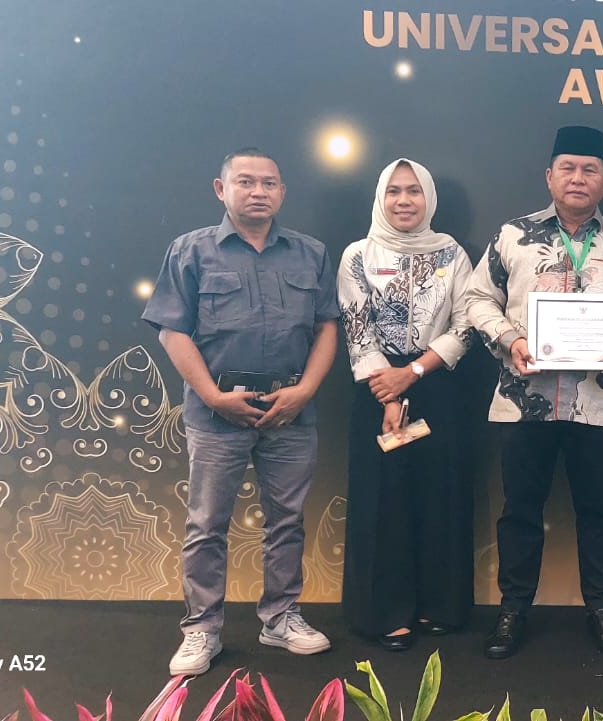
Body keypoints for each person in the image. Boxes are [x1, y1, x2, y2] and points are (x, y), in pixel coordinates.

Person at [143, 148, 338, 676]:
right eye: (245, 181)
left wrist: (305, 391)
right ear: (221, 189)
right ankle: (202, 629)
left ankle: (281, 618)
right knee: (207, 523)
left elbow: (326, 326)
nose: (258, 192)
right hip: (217, 413)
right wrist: (212, 396)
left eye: (269, 183)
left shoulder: (310, 254)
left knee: (287, 520)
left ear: (282, 192)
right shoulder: (190, 251)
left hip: (290, 410)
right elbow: (172, 330)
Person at [463, 126, 603, 659]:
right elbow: (477, 299)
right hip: (524, 401)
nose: (578, 178)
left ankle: (602, 609)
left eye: (590, 170)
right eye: (567, 168)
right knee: (520, 510)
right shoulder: (512, 236)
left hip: (601, 404)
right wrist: (512, 339)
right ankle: (512, 610)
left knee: (599, 511)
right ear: (549, 176)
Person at [337, 158, 476, 652]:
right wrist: (390, 392)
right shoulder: (358, 254)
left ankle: (439, 605)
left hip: (436, 385)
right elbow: (357, 328)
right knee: (384, 501)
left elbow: (466, 325)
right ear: (380, 197)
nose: (403, 200)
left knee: (439, 496)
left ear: (429, 198)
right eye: (394, 191)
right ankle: (385, 613)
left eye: (414, 191)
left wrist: (413, 373)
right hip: (376, 392)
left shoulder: (452, 253)